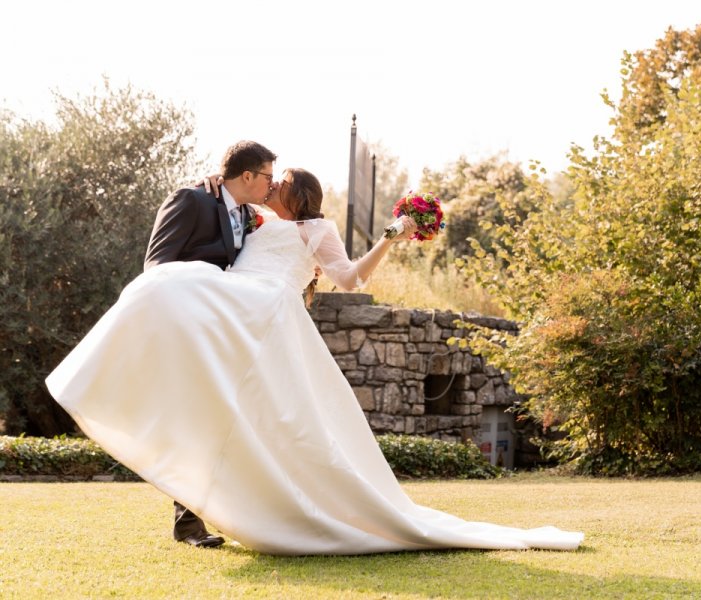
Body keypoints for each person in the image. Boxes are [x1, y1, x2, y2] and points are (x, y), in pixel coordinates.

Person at [46, 168, 584, 555]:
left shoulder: (314, 230)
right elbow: (228, 189)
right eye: (267, 182)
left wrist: (390, 239)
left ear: (297, 196)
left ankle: (258, 507)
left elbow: (350, 278)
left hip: (267, 316)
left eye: (278, 185)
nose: (270, 187)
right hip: (233, 313)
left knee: (277, 418)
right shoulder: (252, 219)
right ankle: (195, 507)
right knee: (202, 378)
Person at [147, 139, 278, 548]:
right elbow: (156, 265)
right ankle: (187, 526)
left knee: (222, 423)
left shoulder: (249, 213)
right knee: (194, 423)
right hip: (186, 329)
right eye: (268, 178)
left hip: (223, 334)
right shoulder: (191, 200)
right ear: (247, 176)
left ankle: (221, 514)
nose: (272, 186)